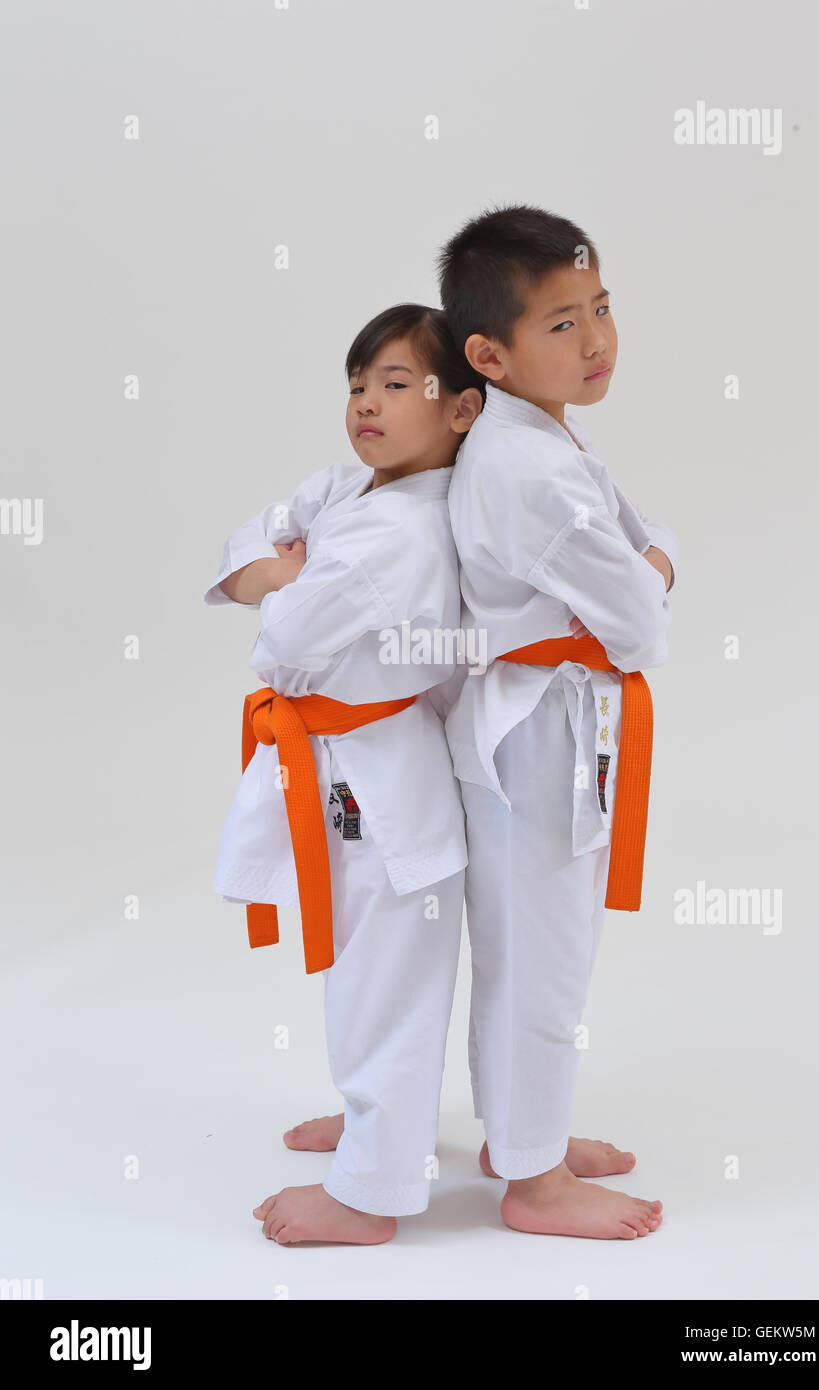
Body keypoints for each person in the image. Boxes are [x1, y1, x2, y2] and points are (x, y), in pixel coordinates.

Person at [204, 304, 484, 1244]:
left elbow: (282, 634)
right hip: (342, 769)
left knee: (386, 988)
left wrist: (283, 577)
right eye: (359, 385)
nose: (367, 402)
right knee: (360, 979)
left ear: (462, 411)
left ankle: (372, 1194)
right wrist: (283, 568)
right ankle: (379, 1134)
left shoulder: (404, 530)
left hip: (384, 787)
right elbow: (248, 543)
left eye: (398, 384)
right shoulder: (349, 493)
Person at [435, 203, 680, 1239]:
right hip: (537, 738)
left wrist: (643, 571)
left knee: (528, 943)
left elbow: (639, 551)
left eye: (600, 308)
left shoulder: (534, 435)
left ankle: (519, 1134)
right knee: (545, 952)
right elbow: (636, 621)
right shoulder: (528, 468)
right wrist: (650, 580)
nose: (595, 341)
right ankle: (533, 1184)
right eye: (561, 324)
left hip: (532, 726)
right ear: (487, 352)